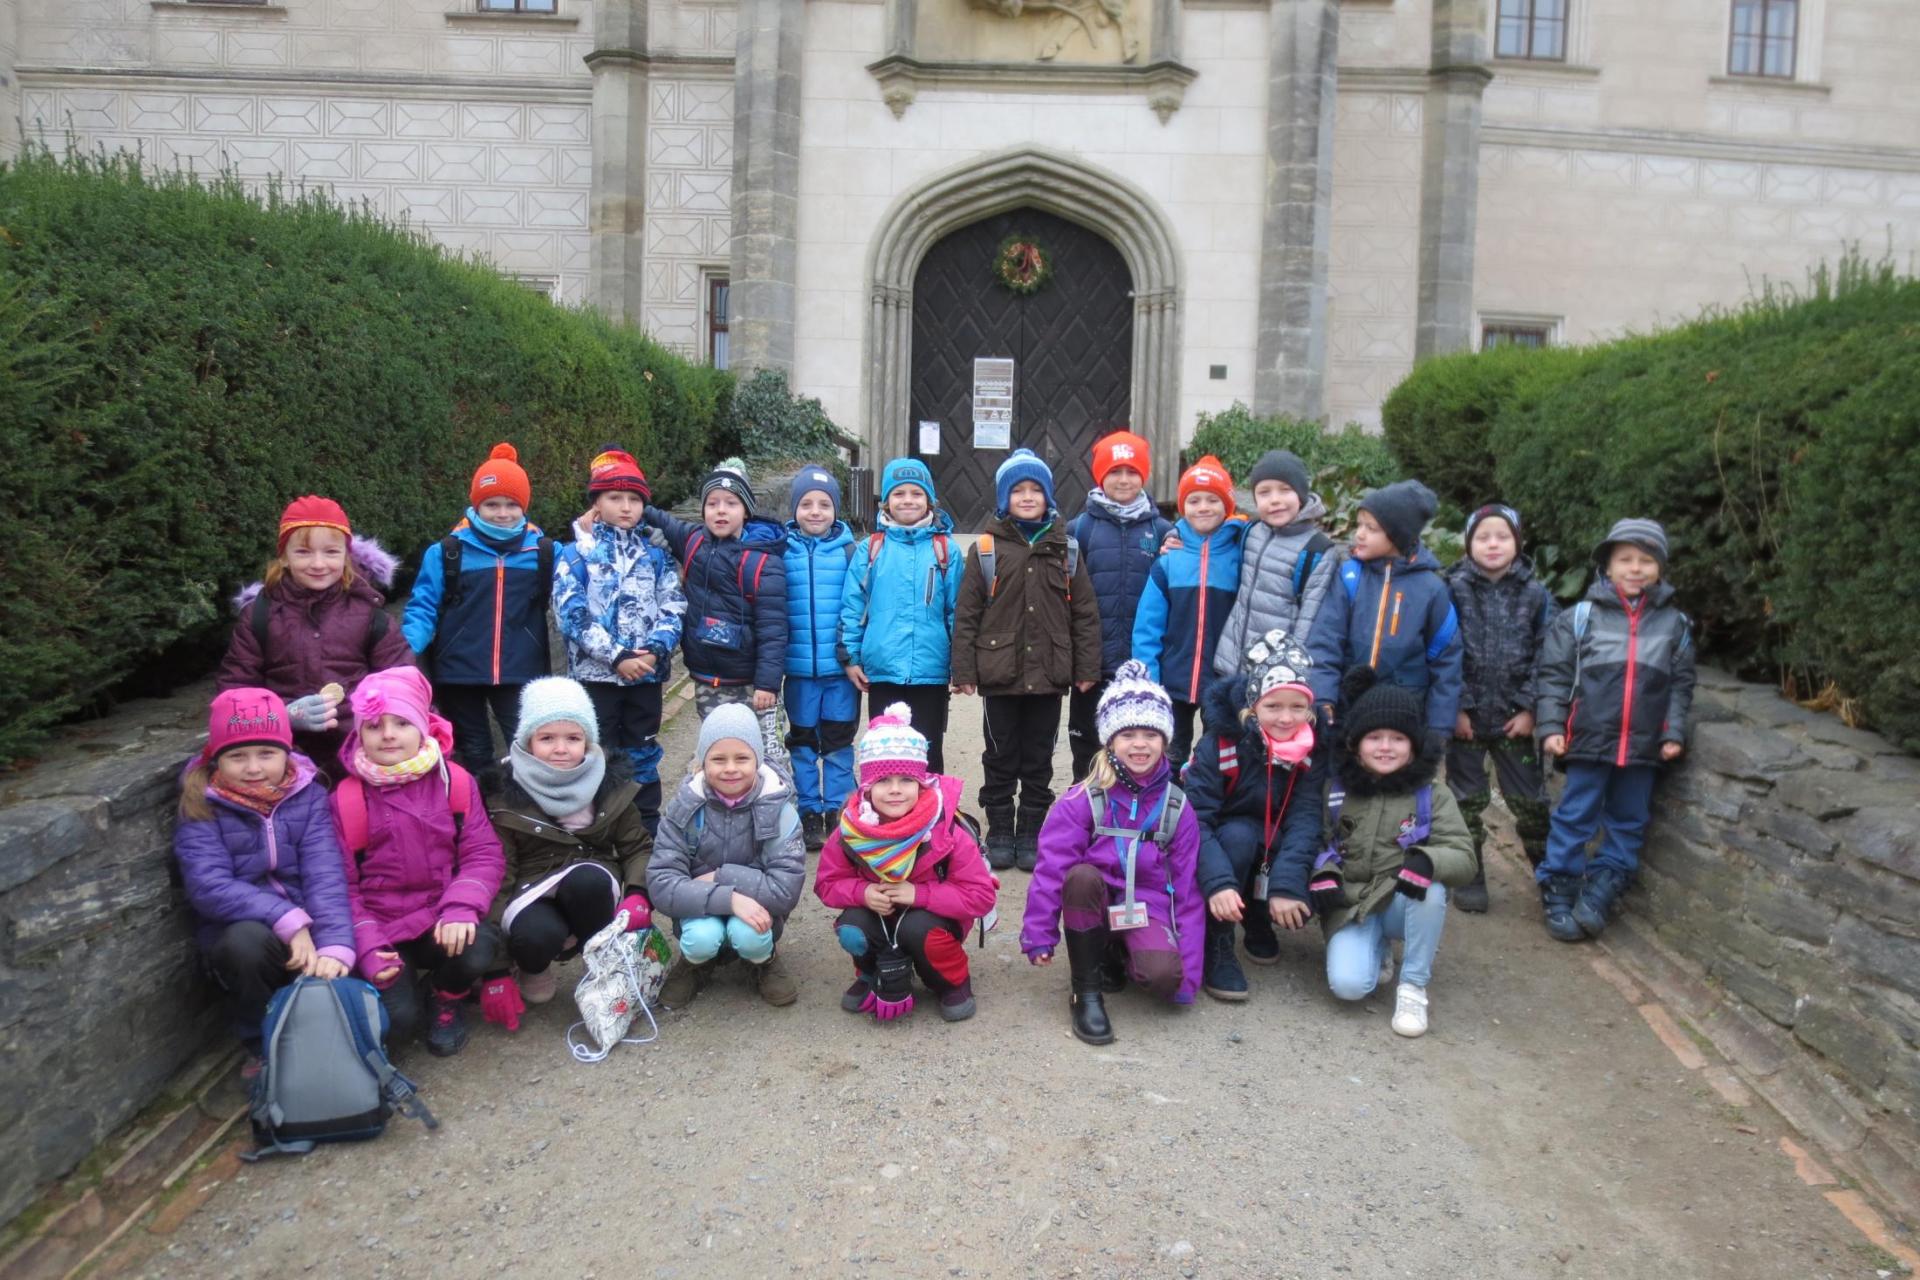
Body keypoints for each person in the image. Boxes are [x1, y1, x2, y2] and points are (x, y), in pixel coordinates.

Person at [1021, 661, 1204, 1046]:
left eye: (1151, 734)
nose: (1140, 744)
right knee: (1080, 877)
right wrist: (1039, 934)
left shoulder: (1177, 806)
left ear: (1165, 740)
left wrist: (1187, 975)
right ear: (1110, 741)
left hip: (1146, 905)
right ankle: (1086, 990)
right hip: (1094, 901)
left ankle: (1121, 952)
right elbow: (1051, 870)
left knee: (1163, 977)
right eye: (1128, 734)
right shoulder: (1082, 799)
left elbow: (1187, 892)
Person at [1289, 670, 1477, 1038]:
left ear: (1415, 745)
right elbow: (1315, 842)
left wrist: (1429, 861)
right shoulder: (1336, 791)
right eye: (1374, 737)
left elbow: (1463, 855)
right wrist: (1322, 873)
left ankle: (1413, 986)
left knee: (1433, 890)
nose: (1385, 747)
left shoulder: (1432, 794)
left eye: (1398, 738)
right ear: (1355, 744)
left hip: (1400, 899)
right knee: (1348, 986)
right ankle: (1376, 949)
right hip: (1351, 905)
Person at [174, 688, 355, 1069]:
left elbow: (324, 873)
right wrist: (286, 919)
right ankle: (260, 1044)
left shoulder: (307, 794)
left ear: (286, 753)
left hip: (312, 929)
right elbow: (208, 884)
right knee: (244, 944)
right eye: (237, 756)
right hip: (251, 935)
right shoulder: (201, 803)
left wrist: (335, 945)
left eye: (266, 754)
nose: (253, 768)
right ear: (216, 758)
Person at [1533, 518, 1695, 942]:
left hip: (1644, 746)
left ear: (1660, 568)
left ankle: (1603, 886)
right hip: (1588, 738)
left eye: (1646, 560)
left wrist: (1673, 733)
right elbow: (1554, 676)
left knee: (1629, 819)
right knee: (1575, 815)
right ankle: (1559, 883)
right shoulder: (1580, 618)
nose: (1635, 568)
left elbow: (1681, 686)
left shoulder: (1674, 625)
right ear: (1607, 566)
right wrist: (1551, 726)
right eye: (1625, 559)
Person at [333, 667, 506, 1057]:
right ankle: (405, 992)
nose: (388, 734)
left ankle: (445, 994)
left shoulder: (453, 781)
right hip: (382, 929)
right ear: (358, 734)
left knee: (480, 945)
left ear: (424, 727)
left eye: (402, 723)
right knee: (398, 1022)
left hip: (439, 917)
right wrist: (367, 945)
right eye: (374, 726)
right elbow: (339, 887)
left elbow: (482, 852)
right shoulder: (346, 799)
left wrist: (461, 906)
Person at [951, 450, 1102, 871]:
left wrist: (1087, 667)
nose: (1028, 496)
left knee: (1038, 756)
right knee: (1000, 753)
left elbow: (1085, 614)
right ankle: (1000, 826)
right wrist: (963, 670)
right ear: (1005, 498)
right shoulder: (985, 549)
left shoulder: (1066, 549)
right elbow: (967, 614)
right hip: (999, 673)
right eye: (1018, 490)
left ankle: (1031, 828)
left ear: (1048, 496)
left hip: (1049, 674)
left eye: (1036, 489)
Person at [483, 677, 652, 1028]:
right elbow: (499, 874)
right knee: (535, 935)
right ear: (527, 741)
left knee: (587, 881)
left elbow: (636, 845)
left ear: (587, 740)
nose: (561, 748)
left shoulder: (607, 780)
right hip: (532, 885)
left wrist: (638, 892)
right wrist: (494, 968)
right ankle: (532, 966)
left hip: (590, 878)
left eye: (573, 738)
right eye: (547, 738)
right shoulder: (504, 793)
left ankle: (602, 958)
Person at [813, 704, 999, 1022]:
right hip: (878, 914)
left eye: (906, 779)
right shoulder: (850, 828)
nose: (896, 790)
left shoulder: (945, 828)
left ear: (921, 783)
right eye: (883, 780)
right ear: (867, 787)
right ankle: (871, 971)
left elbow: (981, 896)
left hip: (932, 920)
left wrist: (919, 895)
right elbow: (827, 883)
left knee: (918, 928)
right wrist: (862, 893)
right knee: (852, 926)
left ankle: (951, 981)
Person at [217, 495, 415, 781]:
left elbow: (402, 685)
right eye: (303, 552)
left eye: (331, 552)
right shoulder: (258, 616)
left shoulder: (371, 615)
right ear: (284, 557)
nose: (318, 564)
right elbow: (234, 693)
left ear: (346, 556)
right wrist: (281, 716)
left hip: (358, 754)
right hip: (283, 760)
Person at [1182, 630, 1323, 1002]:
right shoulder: (1220, 745)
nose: (1286, 718)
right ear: (1253, 705)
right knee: (1240, 836)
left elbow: (1306, 818)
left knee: (1294, 840)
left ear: (1310, 710)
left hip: (1273, 841)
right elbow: (1196, 820)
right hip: (1225, 844)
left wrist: (1287, 885)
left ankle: (1258, 913)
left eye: (1297, 707)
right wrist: (1218, 883)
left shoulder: (1312, 751)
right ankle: (1218, 938)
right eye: (1273, 706)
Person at [402, 443, 554, 787]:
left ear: (524, 506)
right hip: (458, 673)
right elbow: (423, 606)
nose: (502, 513)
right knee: (473, 753)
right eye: (492, 504)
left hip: (521, 670)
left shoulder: (544, 552)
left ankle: (524, 813)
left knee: (527, 749)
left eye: (512, 504)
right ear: (476, 505)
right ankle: (479, 813)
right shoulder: (446, 552)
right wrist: (404, 655)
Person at [555, 447, 688, 832]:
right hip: (597, 678)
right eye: (615, 497)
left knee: (642, 751)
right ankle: (600, 827)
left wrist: (656, 649)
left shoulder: (656, 556)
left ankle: (645, 828)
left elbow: (673, 604)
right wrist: (616, 657)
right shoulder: (577, 555)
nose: (626, 507)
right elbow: (571, 613)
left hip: (646, 675)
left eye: (634, 499)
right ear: (596, 502)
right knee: (599, 754)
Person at [647, 703, 807, 1009]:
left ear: (757, 759)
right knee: (701, 938)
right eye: (718, 759)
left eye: (742, 758)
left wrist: (721, 877)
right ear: (703, 761)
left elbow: (785, 890)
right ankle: (696, 962)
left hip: (757, 911)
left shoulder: (779, 810)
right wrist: (730, 898)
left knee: (748, 935)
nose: (730, 768)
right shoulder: (685, 808)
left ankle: (763, 960)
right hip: (700, 908)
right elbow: (662, 883)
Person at [642, 457, 791, 768]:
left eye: (731, 503)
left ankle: (779, 799)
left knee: (767, 758)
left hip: (752, 684)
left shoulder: (765, 561)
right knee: (719, 756)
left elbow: (773, 629)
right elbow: (655, 516)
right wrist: (608, 506)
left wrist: (767, 684)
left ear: (746, 510)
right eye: (712, 503)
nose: (721, 510)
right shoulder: (693, 541)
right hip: (708, 679)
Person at [1445, 503, 1557, 912]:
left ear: (1518, 542)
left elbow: (1549, 655)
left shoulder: (1536, 595)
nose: (1493, 544)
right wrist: (1457, 707)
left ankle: (1550, 875)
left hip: (1515, 721)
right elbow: (1442, 650)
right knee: (1465, 802)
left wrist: (1530, 708)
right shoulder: (1451, 590)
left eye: (1502, 537)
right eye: (1483, 537)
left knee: (1531, 803)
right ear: (1468, 543)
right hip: (1467, 721)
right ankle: (1469, 874)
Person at [1305, 479, 1464, 752]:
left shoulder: (1432, 589)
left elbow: (1446, 661)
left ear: (1399, 535)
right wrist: (1322, 697)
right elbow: (1325, 640)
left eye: (1372, 528)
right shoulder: (1349, 576)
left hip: (1404, 716)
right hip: (1347, 709)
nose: (1359, 534)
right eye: (1359, 525)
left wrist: (1439, 727)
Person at [837, 458, 963, 773]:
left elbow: (957, 611)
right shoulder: (871, 549)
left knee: (928, 753)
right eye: (899, 493)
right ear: (886, 501)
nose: (908, 500)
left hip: (930, 670)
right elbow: (853, 606)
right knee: (886, 753)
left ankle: (931, 805)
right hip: (882, 670)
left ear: (929, 501)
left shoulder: (945, 549)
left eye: (916, 494)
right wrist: (851, 657)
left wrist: (960, 665)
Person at [1067, 431, 1174, 778]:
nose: (1124, 479)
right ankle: (1086, 806)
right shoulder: (1079, 529)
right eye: (1115, 471)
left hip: (1144, 664)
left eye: (1131, 471)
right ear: (1101, 476)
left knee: (1139, 747)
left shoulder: (1163, 531)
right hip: (1093, 665)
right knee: (1088, 749)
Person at [1132, 454, 1249, 771]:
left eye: (1213, 499)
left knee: (1217, 756)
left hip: (1222, 679)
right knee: (1170, 753)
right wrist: (1148, 680)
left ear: (1228, 505)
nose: (1203, 507)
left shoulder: (1241, 556)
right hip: (1174, 677)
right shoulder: (1169, 561)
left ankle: (1205, 801)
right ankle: (1168, 801)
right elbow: (1148, 628)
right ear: (1183, 506)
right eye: (1194, 500)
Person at [1211, 450, 1338, 684]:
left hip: (1275, 676)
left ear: (1301, 494)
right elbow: (1207, 543)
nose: (1275, 499)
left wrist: (1293, 676)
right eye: (1264, 492)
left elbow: (1308, 623)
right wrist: (1174, 537)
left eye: (1285, 490)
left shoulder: (1317, 551)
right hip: (1230, 667)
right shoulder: (1251, 533)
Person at [783, 466, 860, 849]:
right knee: (801, 743)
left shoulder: (850, 551)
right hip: (798, 672)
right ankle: (809, 809)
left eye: (824, 504)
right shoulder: (780, 550)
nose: (815, 511)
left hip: (840, 673)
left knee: (838, 743)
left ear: (836, 510)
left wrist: (853, 654)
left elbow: (858, 606)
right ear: (794, 509)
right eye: (807, 504)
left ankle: (839, 808)